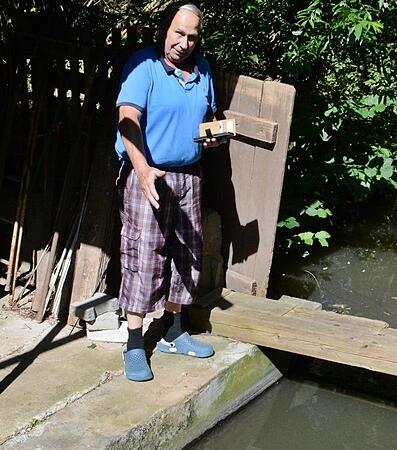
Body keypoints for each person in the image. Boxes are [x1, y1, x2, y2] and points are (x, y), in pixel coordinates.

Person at [114, 1, 224, 382]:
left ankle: (174, 331)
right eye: (179, 33)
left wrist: (211, 135)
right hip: (149, 174)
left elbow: (208, 116)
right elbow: (128, 117)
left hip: (188, 176)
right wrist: (142, 170)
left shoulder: (203, 69)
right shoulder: (144, 66)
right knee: (143, 256)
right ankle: (133, 341)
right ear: (165, 30)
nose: (185, 42)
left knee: (186, 255)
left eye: (192, 36)